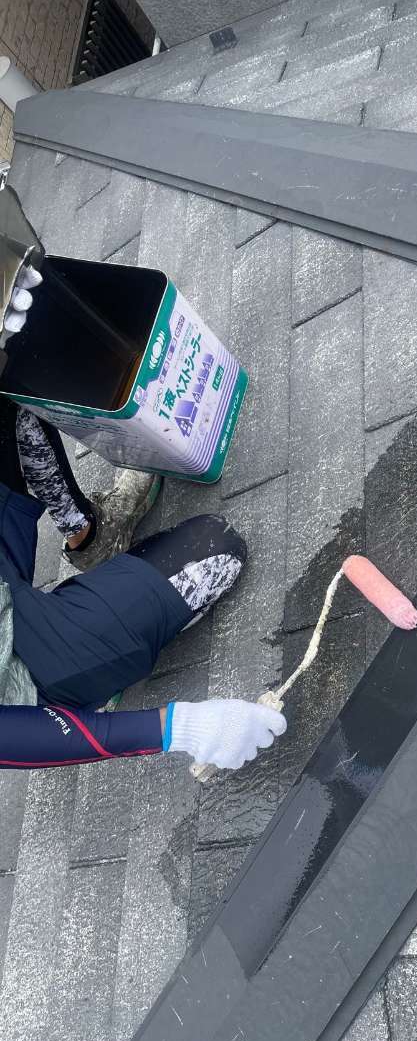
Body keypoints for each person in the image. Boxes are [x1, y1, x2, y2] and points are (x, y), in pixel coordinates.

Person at [0, 268, 286, 771]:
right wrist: (176, 727)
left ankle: (87, 533)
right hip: (33, 670)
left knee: (10, 380)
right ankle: (84, 692)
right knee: (216, 548)